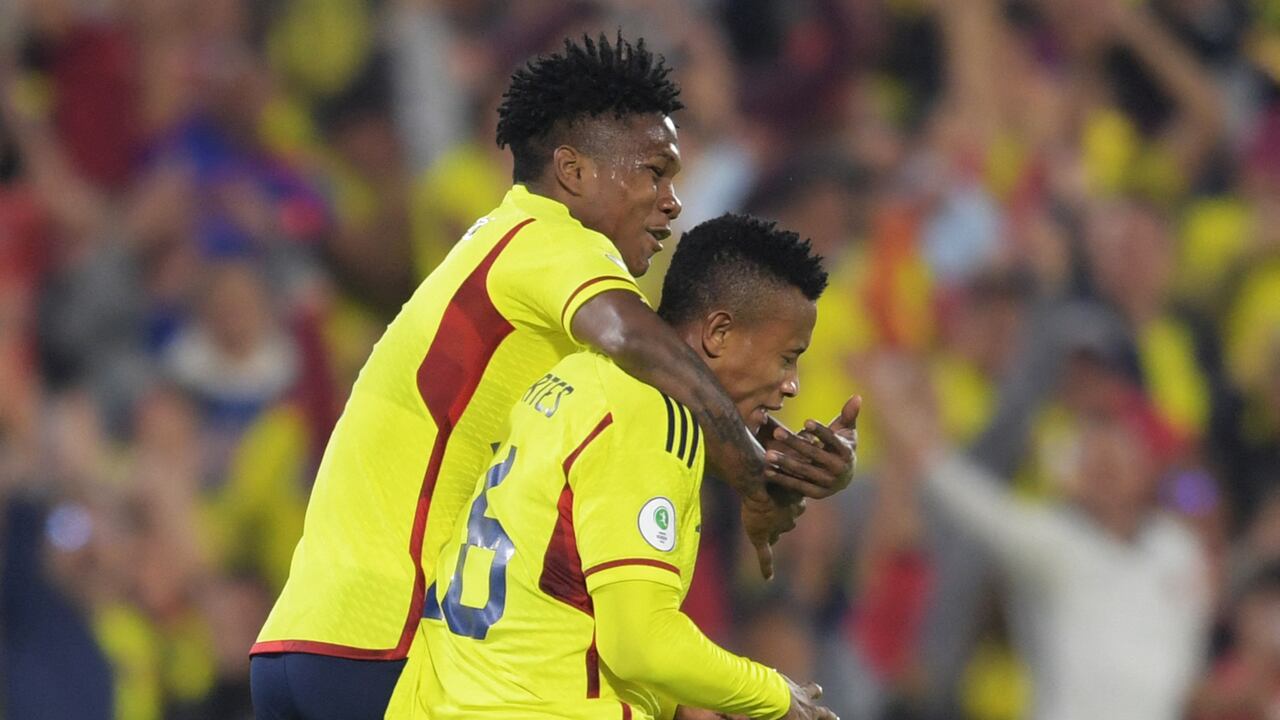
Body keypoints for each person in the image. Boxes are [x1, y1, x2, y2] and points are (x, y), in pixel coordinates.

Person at [250, 34, 858, 720]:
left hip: (309, 638)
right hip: (391, 645)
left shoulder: (510, 265)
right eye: (654, 172)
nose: (672, 203)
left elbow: (645, 407)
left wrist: (778, 458)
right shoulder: (549, 243)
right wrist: (753, 472)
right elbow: (635, 341)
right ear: (572, 172)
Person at [403, 213, 841, 720]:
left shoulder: (576, 375)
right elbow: (639, 642)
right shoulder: (653, 417)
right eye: (788, 357)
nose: (793, 385)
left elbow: (562, 595)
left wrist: (681, 704)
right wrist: (778, 697)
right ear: (718, 332)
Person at [865, 353, 1211, 720]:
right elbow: (953, 485)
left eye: (1117, 463)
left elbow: (1186, 659)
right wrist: (891, 402)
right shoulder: (1053, 542)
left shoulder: (1177, 549)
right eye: (1097, 464)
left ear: (1144, 471)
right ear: (1076, 477)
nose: (1107, 476)